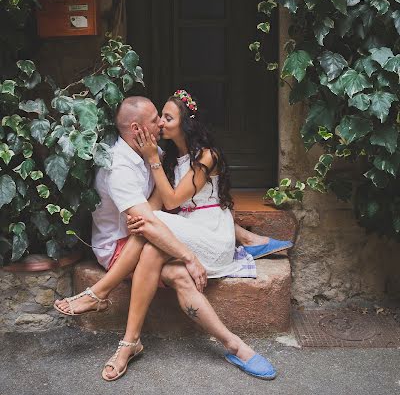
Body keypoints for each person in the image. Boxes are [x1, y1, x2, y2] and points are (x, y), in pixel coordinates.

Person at [54, 94, 292, 380]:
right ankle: (235, 346)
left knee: (147, 227)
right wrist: (187, 257)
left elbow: (158, 211)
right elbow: (160, 208)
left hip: (186, 238)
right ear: (136, 129)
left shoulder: (162, 155)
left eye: (165, 118)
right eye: (157, 119)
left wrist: (154, 162)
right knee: (159, 245)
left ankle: (101, 296)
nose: (160, 125)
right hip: (120, 245)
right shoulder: (126, 165)